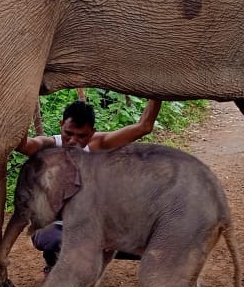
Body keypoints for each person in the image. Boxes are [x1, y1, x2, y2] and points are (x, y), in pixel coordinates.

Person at [15, 98, 162, 273]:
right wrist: (21, 99)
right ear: (61, 124)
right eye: (68, 133)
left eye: (81, 136)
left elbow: (144, 127)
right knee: (52, 237)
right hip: (54, 227)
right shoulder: (48, 146)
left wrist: (156, 92)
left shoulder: (98, 144)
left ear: (92, 133)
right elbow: (22, 144)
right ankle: (55, 262)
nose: (73, 141)